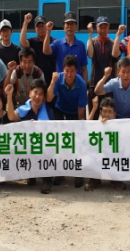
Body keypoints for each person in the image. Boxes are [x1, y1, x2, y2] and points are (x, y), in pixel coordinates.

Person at [5, 80, 55, 194]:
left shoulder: (48, 111)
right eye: (35, 92)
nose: (37, 97)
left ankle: (47, 180)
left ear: (43, 97)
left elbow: (52, 132)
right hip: (27, 145)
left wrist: (38, 127)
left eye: (41, 94)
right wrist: (9, 96)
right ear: (30, 94)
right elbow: (11, 116)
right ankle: (31, 175)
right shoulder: (24, 109)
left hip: (44, 145)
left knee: (50, 149)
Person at [47, 55, 87, 188]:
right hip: (60, 109)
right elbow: (48, 98)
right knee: (59, 141)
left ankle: (78, 172)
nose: (69, 75)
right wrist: (53, 82)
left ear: (76, 71)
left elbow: (81, 110)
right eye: (67, 71)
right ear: (63, 70)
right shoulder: (58, 79)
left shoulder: (81, 84)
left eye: (72, 71)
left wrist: (79, 127)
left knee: (76, 141)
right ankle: (60, 172)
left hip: (75, 112)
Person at [84, 99, 127, 192]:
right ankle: (95, 180)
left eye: (110, 112)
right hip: (99, 157)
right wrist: (94, 108)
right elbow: (86, 126)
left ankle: (115, 180)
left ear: (114, 114)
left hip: (114, 157)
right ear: (100, 113)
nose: (107, 115)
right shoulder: (97, 125)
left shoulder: (120, 126)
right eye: (104, 111)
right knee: (90, 153)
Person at [87, 16, 118, 120]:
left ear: (108, 27)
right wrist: (90, 34)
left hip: (108, 87)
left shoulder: (112, 43)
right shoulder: (93, 41)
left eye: (105, 27)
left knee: (109, 117)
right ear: (96, 27)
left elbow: (115, 63)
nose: (103, 30)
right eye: (100, 27)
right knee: (93, 117)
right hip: (94, 85)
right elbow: (90, 54)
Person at [43, 11, 88, 81]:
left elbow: (84, 69)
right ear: (64, 26)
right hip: (60, 84)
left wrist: (84, 85)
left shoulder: (81, 45)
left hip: (76, 84)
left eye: (72, 24)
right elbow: (45, 51)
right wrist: (48, 32)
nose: (70, 27)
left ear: (76, 27)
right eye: (67, 24)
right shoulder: (57, 43)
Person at [19, 14, 56, 86]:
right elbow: (22, 43)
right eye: (38, 26)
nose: (40, 28)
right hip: (36, 80)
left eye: (42, 26)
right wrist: (25, 23)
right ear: (35, 29)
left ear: (46, 26)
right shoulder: (33, 41)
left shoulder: (54, 42)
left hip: (51, 79)